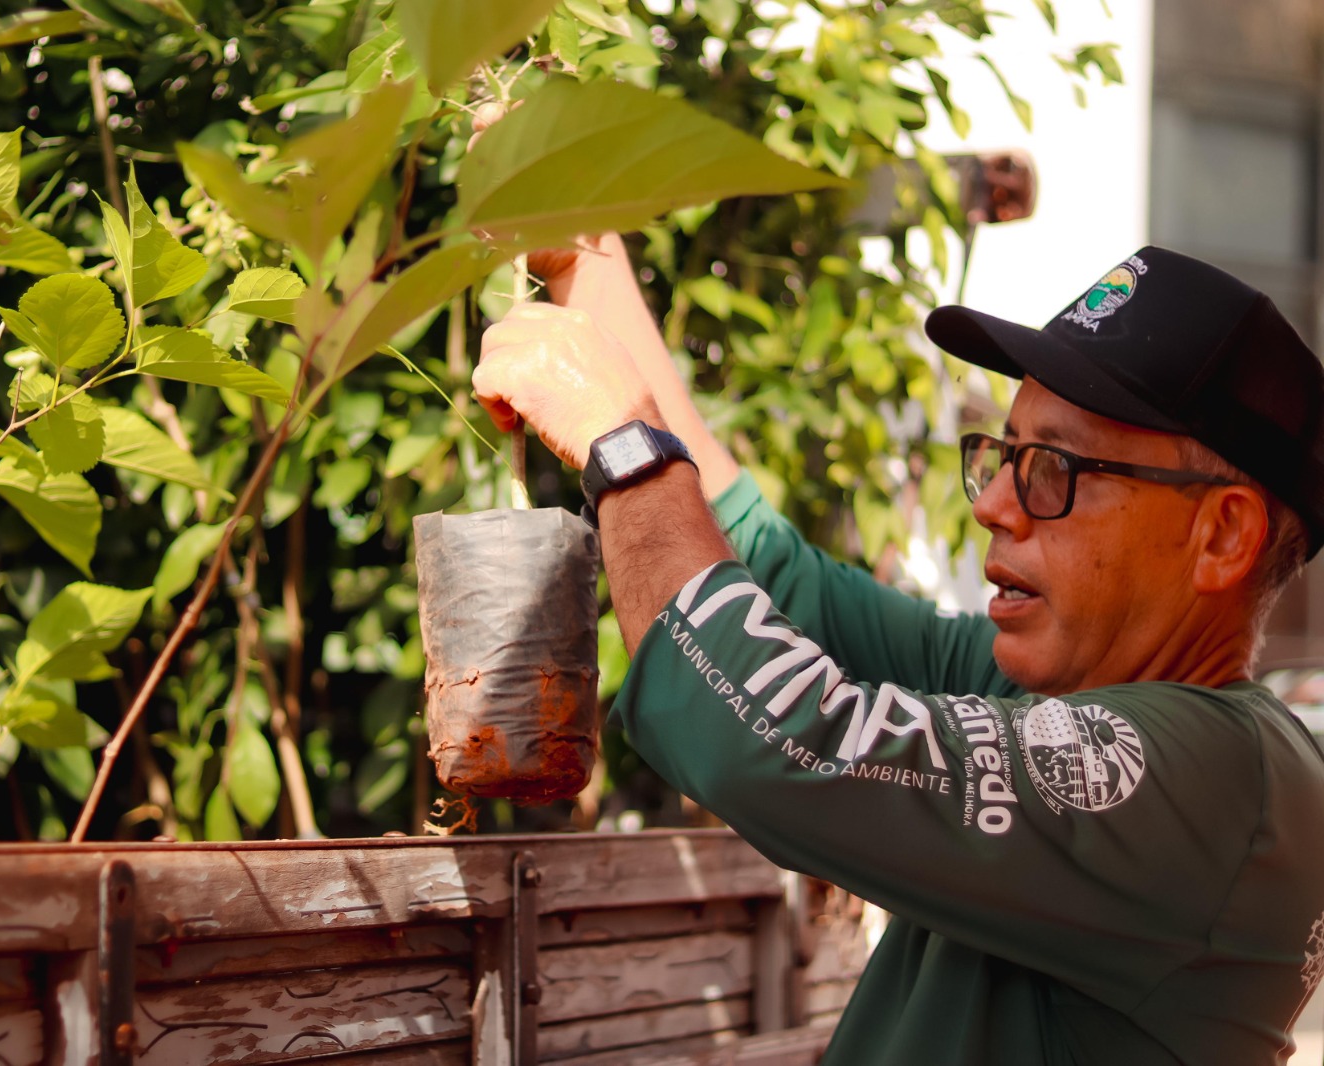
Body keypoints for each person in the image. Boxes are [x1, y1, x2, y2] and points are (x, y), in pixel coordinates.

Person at [473, 237, 1324, 1064]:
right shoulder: (1063, 694)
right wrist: (585, 260)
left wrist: (624, 443)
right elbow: (774, 582)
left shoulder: (1221, 784)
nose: (992, 505)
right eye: (1004, 456)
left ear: (1222, 536)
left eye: (1053, 468)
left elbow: (782, 739)